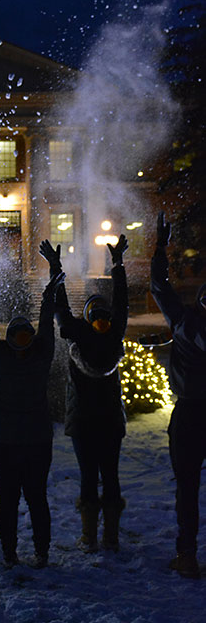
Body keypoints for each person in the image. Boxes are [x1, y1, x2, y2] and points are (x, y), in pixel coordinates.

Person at [0, 267, 65, 568]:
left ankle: (10, 553)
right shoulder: (41, 356)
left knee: (9, 499)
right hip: (36, 439)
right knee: (36, 497)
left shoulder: (1, 357)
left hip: (5, 440)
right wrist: (48, 295)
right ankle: (40, 552)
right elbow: (46, 328)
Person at [40, 235, 128, 553]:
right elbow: (122, 304)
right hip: (109, 420)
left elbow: (59, 307)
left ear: (86, 318)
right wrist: (117, 265)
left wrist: (55, 267)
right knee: (111, 475)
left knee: (88, 475)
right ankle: (111, 537)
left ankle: (89, 536)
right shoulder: (114, 335)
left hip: (83, 422)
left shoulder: (77, 335)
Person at [149, 211, 206, 579]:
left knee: (187, 487)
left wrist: (160, 245)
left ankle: (187, 555)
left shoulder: (185, 321)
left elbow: (158, 285)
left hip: (189, 412)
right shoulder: (186, 321)